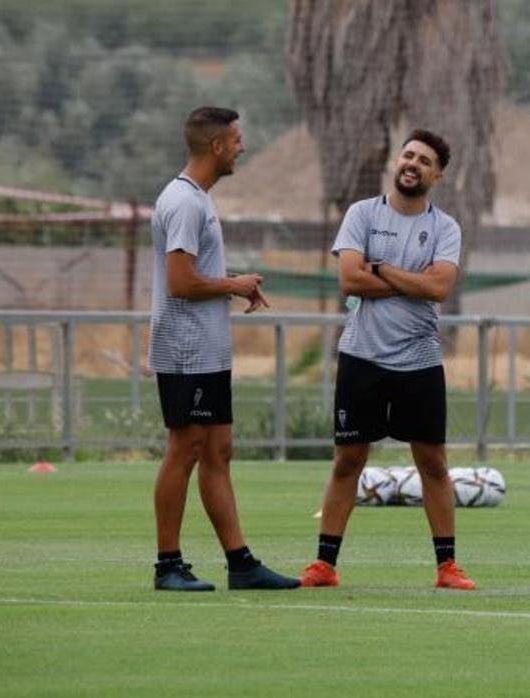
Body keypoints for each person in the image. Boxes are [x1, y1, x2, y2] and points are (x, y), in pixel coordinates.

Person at [299, 129, 476, 591]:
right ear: (398, 162)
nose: (413, 163)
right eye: (409, 154)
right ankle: (324, 565)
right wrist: (405, 278)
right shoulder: (361, 214)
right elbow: (349, 280)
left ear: (437, 175)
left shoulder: (445, 228)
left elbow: (438, 288)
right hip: (362, 357)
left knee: (433, 463)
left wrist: (379, 268)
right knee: (347, 460)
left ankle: (447, 567)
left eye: (424, 160)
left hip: (420, 360)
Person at [148, 106, 299, 591]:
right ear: (216, 146)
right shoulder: (185, 202)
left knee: (218, 449)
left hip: (207, 351)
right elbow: (180, 282)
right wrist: (233, 283)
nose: (242, 146)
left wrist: (232, 285)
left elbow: (191, 277)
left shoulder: (197, 199)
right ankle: (168, 565)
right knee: (185, 449)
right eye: (236, 139)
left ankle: (241, 563)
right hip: (185, 349)